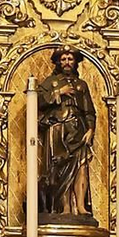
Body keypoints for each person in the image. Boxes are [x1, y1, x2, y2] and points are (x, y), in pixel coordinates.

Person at [36, 49, 100, 219]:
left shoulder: (81, 85)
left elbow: (89, 111)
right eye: (63, 59)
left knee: (81, 166)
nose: (66, 62)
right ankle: (64, 207)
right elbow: (37, 100)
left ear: (75, 62)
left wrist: (90, 129)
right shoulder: (51, 82)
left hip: (78, 129)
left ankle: (80, 205)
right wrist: (58, 93)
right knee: (60, 168)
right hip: (58, 129)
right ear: (58, 62)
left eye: (70, 59)